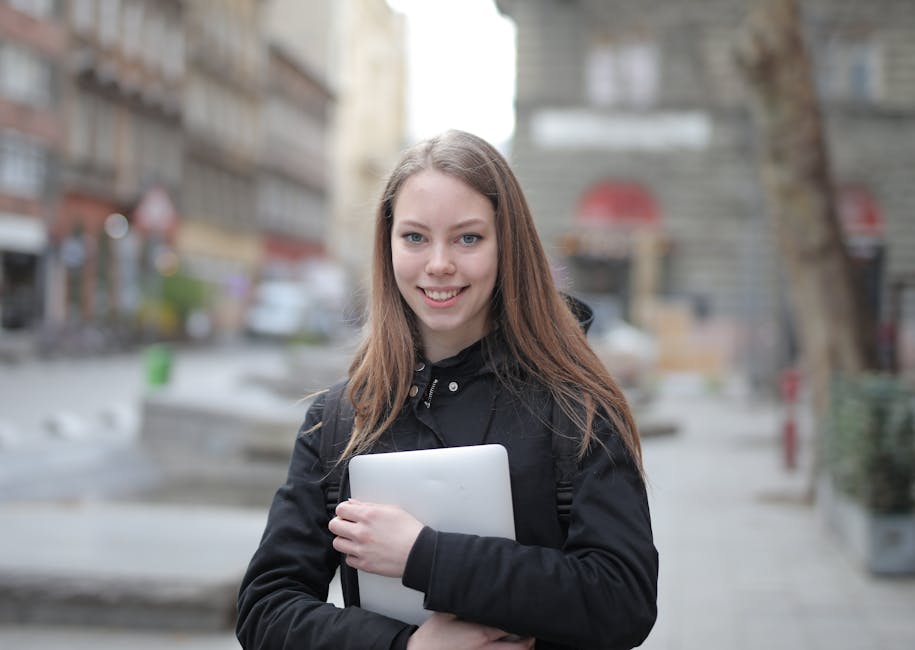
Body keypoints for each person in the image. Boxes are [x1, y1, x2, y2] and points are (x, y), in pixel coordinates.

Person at [236, 130, 658, 649]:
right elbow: (266, 611)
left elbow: (624, 601)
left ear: (508, 246)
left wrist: (423, 555)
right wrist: (406, 648)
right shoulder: (339, 419)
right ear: (387, 246)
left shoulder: (579, 410)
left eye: (468, 238)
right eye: (415, 237)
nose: (439, 263)